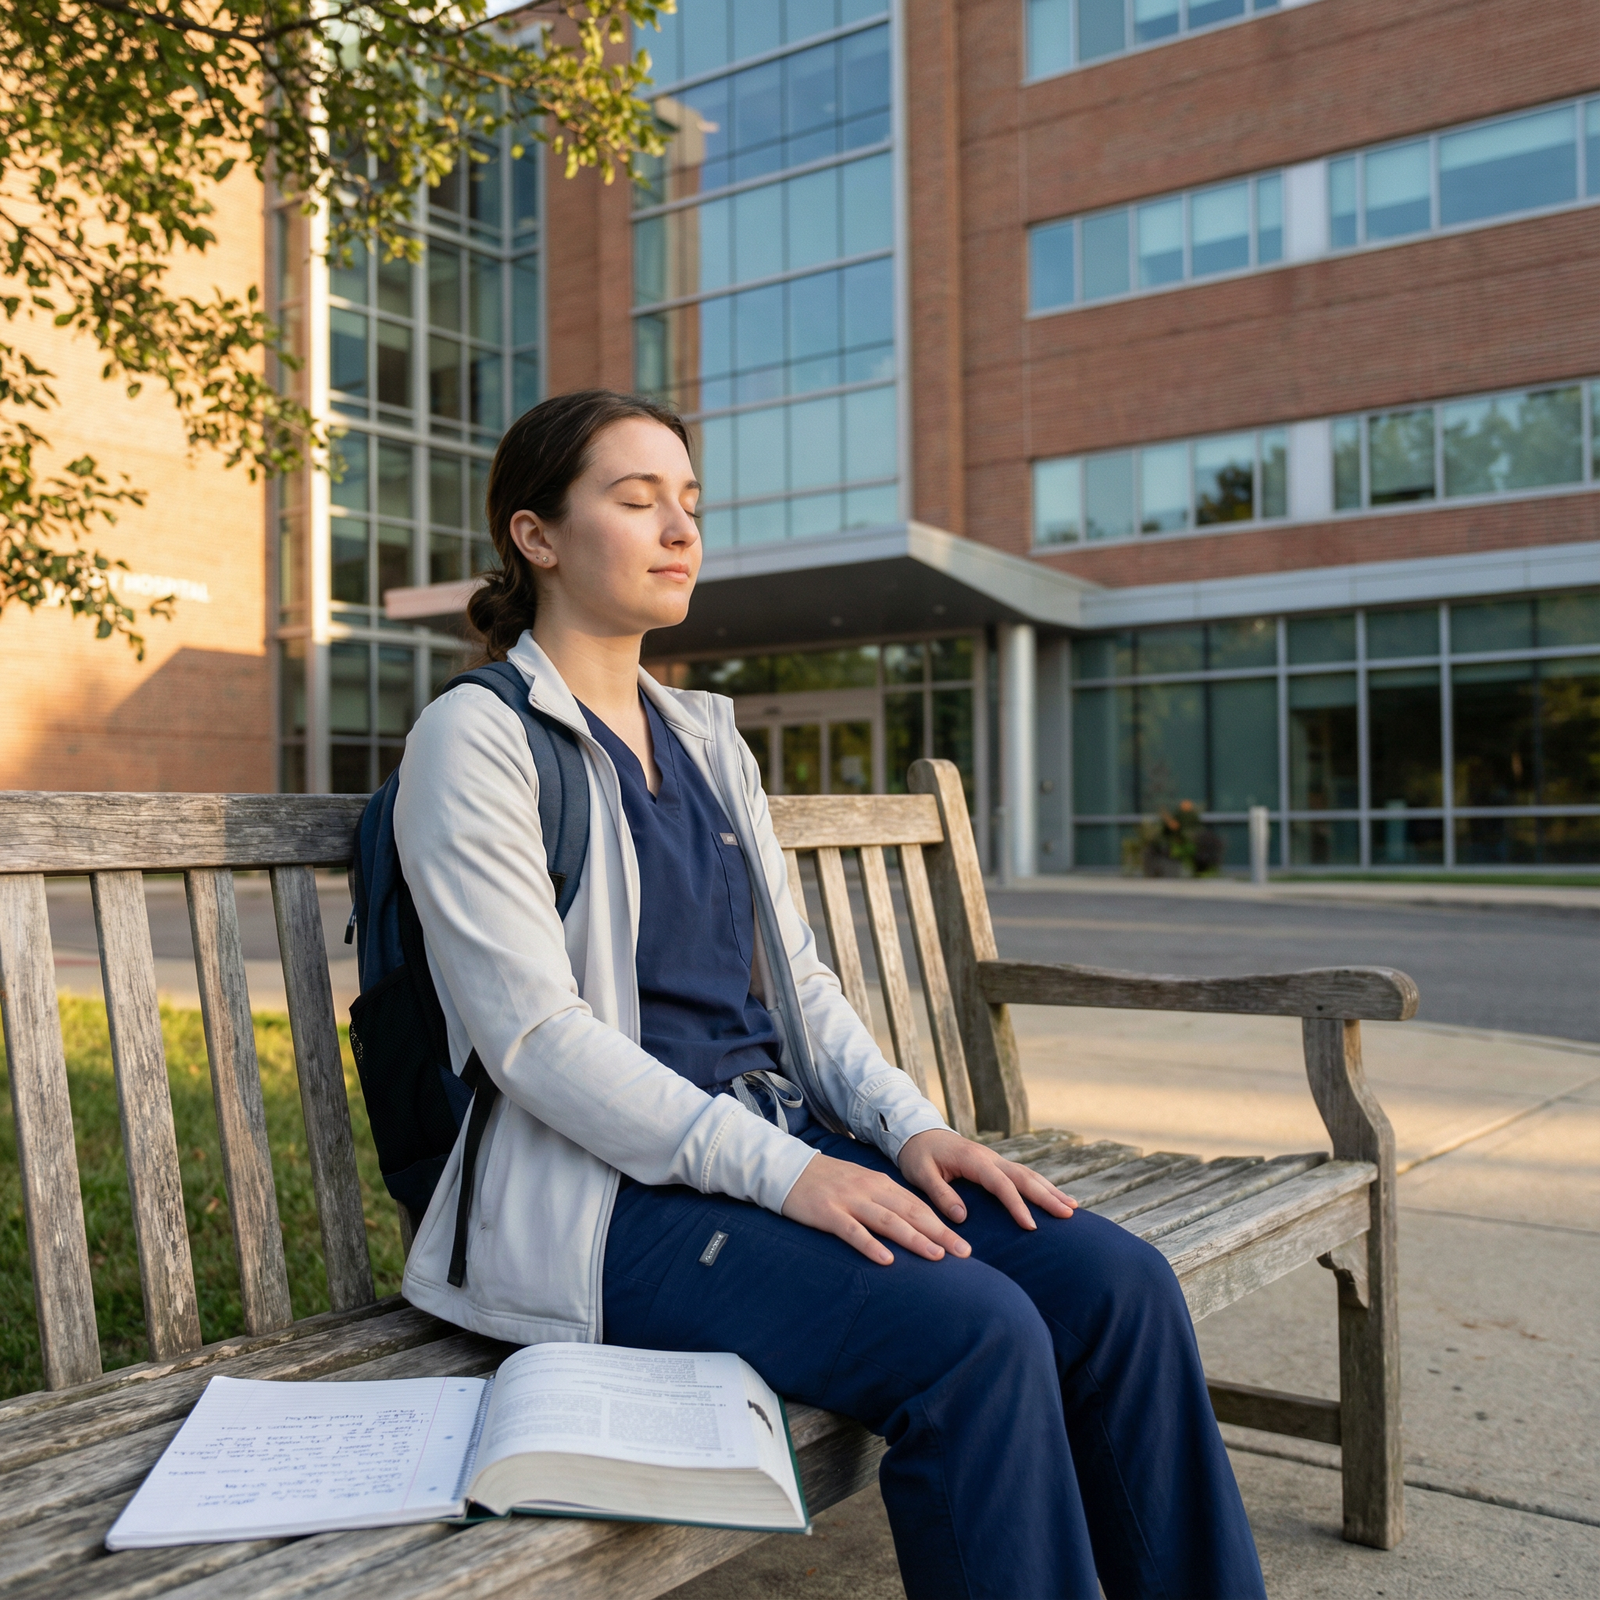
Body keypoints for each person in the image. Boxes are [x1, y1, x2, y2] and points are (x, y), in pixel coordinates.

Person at [394, 389, 1266, 1600]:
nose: (679, 529)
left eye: (689, 503)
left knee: (1117, 1284)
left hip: (780, 1143)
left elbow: (798, 983)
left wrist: (911, 1130)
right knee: (974, 1335)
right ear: (535, 536)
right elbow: (536, 1040)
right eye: (636, 500)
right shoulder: (478, 738)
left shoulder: (705, 740)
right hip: (614, 1204)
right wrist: (791, 1173)